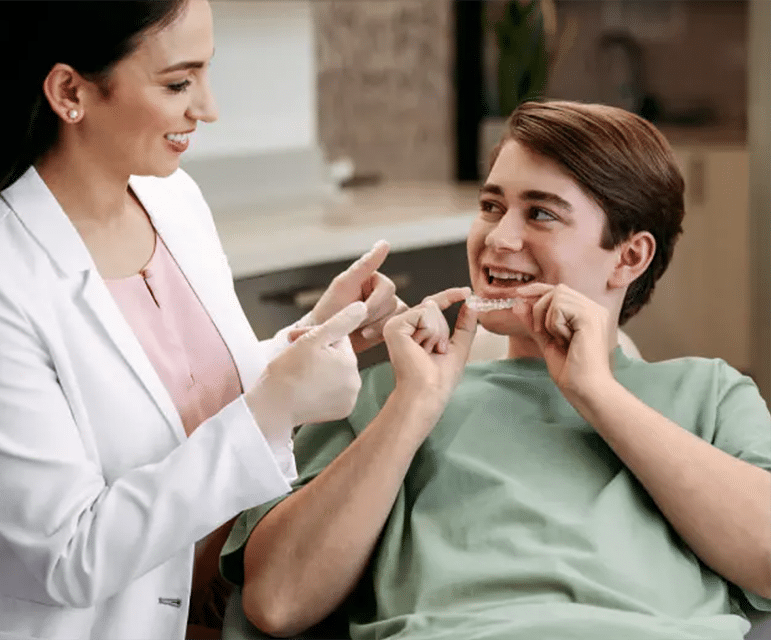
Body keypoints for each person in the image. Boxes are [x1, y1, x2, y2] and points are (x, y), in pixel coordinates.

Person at [221, 100, 771, 640]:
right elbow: (277, 602)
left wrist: (596, 392)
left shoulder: (710, 394)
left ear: (629, 257)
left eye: (541, 213)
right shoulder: (381, 395)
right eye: (491, 206)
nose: (498, 239)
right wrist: (412, 410)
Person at [0, 1, 404, 639]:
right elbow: (67, 556)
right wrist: (275, 407)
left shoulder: (172, 198)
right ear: (69, 90)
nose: (207, 108)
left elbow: (180, 396)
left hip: (214, 614)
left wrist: (312, 339)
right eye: (178, 83)